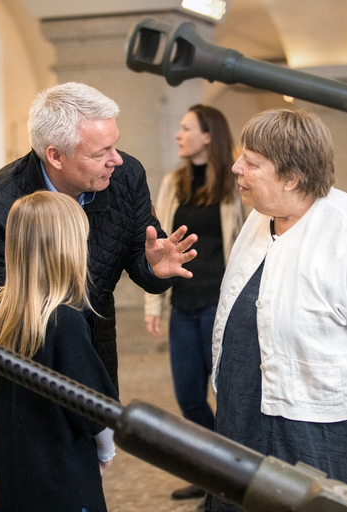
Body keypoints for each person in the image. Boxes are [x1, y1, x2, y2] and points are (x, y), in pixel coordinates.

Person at [0, 82, 197, 509]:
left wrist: (156, 270)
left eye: (115, 146)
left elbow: (139, 260)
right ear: (55, 155)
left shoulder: (126, 178)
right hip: (7, 381)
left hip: (85, 352)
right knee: (13, 487)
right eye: (100, 152)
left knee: (78, 480)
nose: (115, 160)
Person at [206, 109, 347, 511]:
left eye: (251, 162)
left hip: (324, 429)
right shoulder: (259, 219)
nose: (236, 168)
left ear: (292, 177)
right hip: (246, 413)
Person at [0, 191, 117, 512]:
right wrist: (106, 452)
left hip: (15, 480)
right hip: (65, 483)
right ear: (68, 250)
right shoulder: (66, 321)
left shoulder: (2, 314)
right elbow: (94, 407)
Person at [143, 105, 246, 501]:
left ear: (208, 136)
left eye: (186, 128)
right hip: (183, 305)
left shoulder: (234, 183)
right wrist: (154, 305)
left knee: (226, 394)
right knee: (189, 395)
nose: (178, 135)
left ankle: (228, 482)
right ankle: (211, 474)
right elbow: (156, 242)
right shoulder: (173, 182)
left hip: (220, 306)